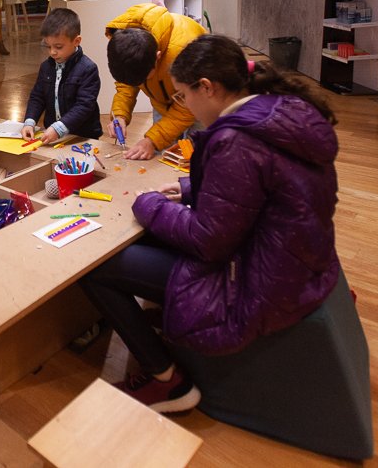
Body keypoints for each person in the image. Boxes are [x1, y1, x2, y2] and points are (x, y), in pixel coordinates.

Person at [81, 34, 341, 412]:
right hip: (293, 258)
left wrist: (149, 204)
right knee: (143, 240)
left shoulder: (235, 140)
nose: (183, 105)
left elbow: (209, 241)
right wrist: (189, 188)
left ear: (207, 87)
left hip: (259, 279)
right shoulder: (273, 108)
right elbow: (259, 185)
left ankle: (167, 382)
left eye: (183, 95)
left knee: (97, 267)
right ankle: (163, 319)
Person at [104, 3, 207, 160]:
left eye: (145, 78)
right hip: (161, 98)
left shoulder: (185, 51)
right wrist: (120, 115)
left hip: (200, 102)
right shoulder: (123, 41)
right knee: (162, 155)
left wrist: (152, 140)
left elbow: (187, 109)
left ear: (157, 57)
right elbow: (127, 83)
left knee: (196, 155)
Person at [21, 8, 102, 144]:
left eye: (58, 47)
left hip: (82, 136)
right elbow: (37, 97)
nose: (52, 52)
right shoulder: (46, 67)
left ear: (76, 41)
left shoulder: (88, 69)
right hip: (53, 135)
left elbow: (84, 105)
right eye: (48, 46)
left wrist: (59, 127)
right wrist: (29, 121)